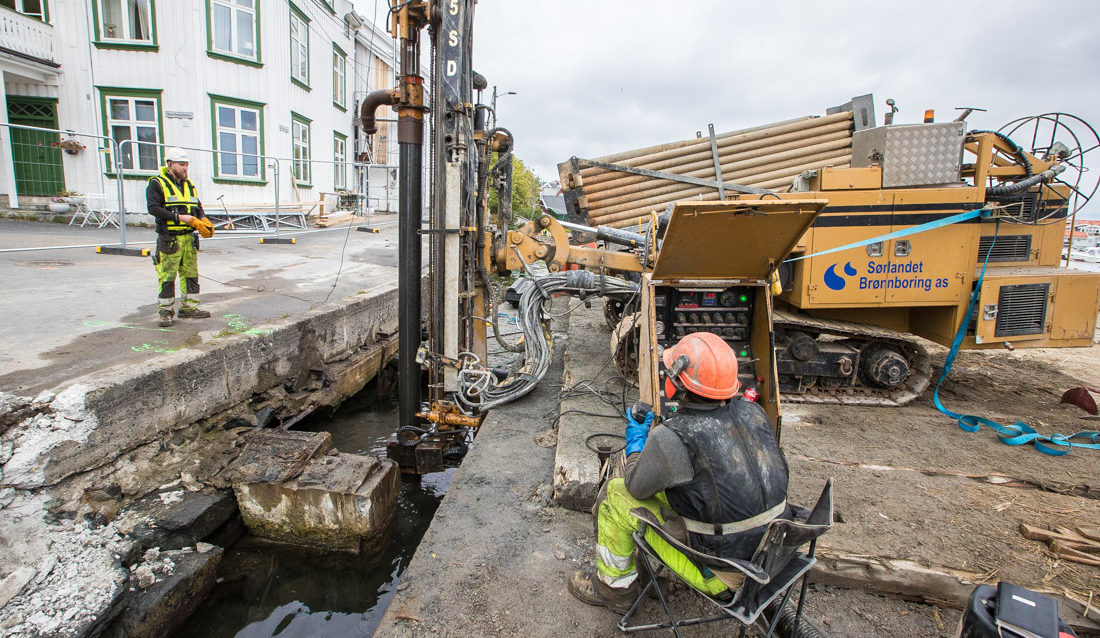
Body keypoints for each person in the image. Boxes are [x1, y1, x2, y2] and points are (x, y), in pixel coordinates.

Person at [569, 331, 790, 611]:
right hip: (774, 555)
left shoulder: (672, 438)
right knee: (669, 490)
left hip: (725, 574)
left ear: (676, 382)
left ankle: (615, 590)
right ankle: (642, 572)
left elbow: (635, 486)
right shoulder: (755, 413)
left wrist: (636, 443)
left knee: (615, 495)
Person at [147, 147, 213, 327]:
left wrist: (203, 218)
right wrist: (178, 217)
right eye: (181, 165)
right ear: (170, 164)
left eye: (186, 165)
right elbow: (153, 208)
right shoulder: (157, 184)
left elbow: (196, 205)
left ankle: (189, 308)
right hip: (170, 238)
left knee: (191, 274)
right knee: (167, 275)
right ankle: (166, 311)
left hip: (188, 238)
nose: (185, 168)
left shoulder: (188, 184)